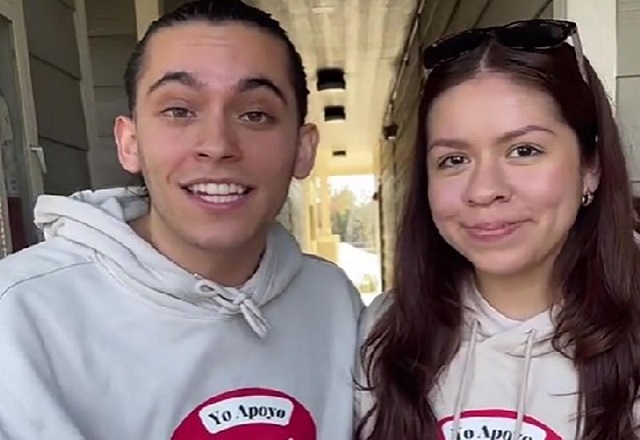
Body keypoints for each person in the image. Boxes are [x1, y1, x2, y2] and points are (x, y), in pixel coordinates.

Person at [0, 1, 362, 439]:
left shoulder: (334, 305)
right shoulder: (18, 318)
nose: (217, 144)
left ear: (302, 150)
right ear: (130, 143)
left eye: (255, 114)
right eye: (179, 110)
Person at [355, 19, 640, 440]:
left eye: (524, 151)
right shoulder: (387, 333)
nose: (484, 191)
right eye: (454, 160)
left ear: (590, 167)